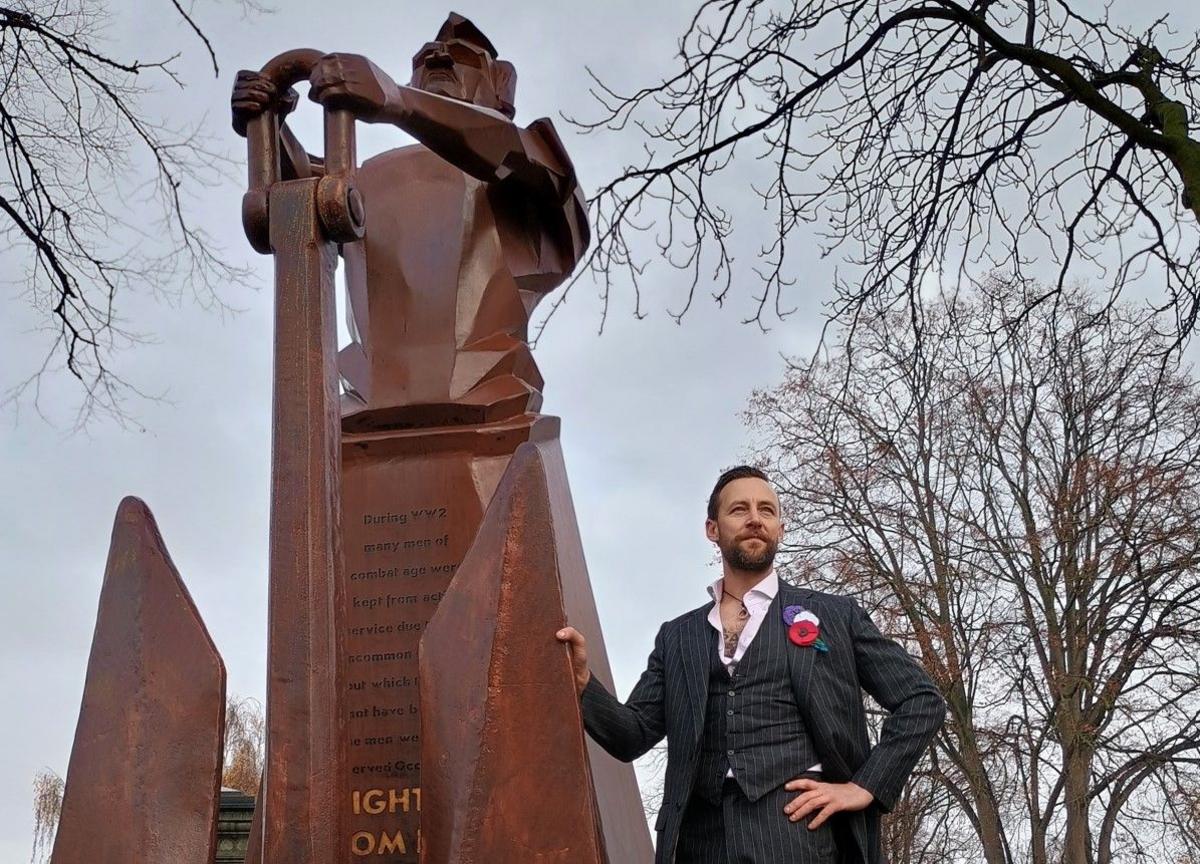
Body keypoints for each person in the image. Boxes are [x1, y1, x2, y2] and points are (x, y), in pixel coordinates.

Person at [557, 466, 945, 864]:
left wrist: (864, 786)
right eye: (739, 509)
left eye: (767, 510)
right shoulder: (678, 636)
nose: (755, 519)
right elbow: (632, 735)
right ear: (712, 529)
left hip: (798, 832)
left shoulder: (834, 615)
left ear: (780, 528)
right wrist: (584, 683)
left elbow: (921, 700)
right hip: (698, 840)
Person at [231, 13, 589, 432]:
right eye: (425, 56)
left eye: (461, 56)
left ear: (501, 87)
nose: (437, 55)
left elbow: (515, 155)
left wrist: (397, 100)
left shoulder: (533, 174)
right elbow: (309, 206)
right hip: (361, 424)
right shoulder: (370, 176)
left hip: (491, 417)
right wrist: (271, 128)